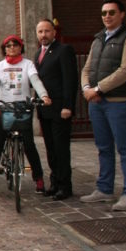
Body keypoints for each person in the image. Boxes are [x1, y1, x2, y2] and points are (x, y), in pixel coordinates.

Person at [79, 0, 126, 211]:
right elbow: (86, 68)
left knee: (124, 147)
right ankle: (104, 189)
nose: (107, 16)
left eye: (112, 12)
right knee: (103, 147)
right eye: (104, 13)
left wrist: (98, 89)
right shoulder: (97, 40)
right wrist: (87, 88)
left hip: (119, 102)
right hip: (96, 103)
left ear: (122, 14)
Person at [0, 35, 51, 196]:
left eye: (15, 45)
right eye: (8, 45)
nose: (12, 48)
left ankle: (39, 179)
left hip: (22, 110)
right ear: (4, 49)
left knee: (29, 145)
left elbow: (36, 81)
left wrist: (44, 95)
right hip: (2, 109)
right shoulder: (0, 66)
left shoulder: (28, 65)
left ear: (21, 47)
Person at [34, 19, 78, 201]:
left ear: (54, 32)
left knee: (61, 149)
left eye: (47, 31)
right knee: (50, 148)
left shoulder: (64, 51)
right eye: (40, 32)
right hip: (45, 110)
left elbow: (70, 80)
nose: (43, 35)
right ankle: (54, 183)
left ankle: (65, 186)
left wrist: (68, 106)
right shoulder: (38, 54)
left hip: (60, 109)